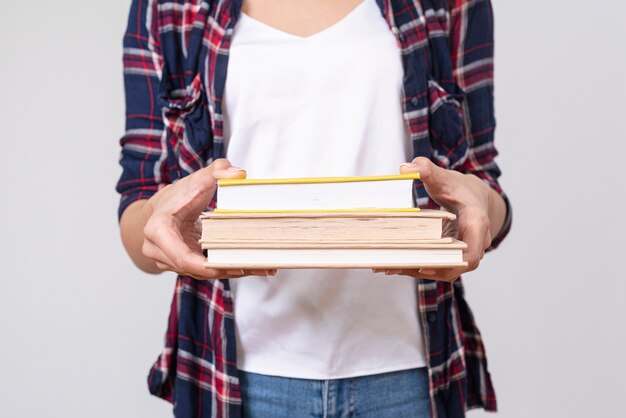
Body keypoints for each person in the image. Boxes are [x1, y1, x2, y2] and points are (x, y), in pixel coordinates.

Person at [116, 0, 512, 416]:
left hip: (408, 373)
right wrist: (161, 225)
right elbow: (138, 210)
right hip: (234, 375)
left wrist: (480, 206)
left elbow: (485, 190)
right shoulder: (169, 7)